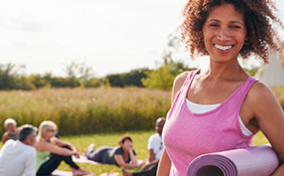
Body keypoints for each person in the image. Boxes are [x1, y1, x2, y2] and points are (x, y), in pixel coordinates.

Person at [156, 0, 284, 175]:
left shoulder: (255, 95)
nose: (223, 36)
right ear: (201, 29)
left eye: (235, 26)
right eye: (214, 25)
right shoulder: (182, 83)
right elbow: (169, 153)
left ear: (247, 33)